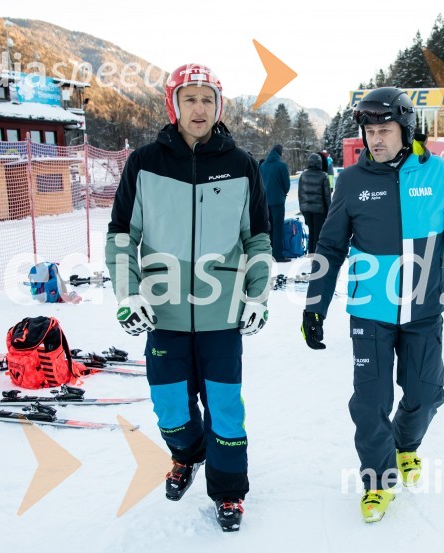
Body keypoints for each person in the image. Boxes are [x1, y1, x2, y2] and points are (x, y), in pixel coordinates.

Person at [300, 87, 444, 523]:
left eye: (384, 130)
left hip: (423, 309)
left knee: (425, 395)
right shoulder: (350, 181)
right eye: (369, 132)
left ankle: (406, 446)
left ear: (405, 130)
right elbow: (329, 248)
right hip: (370, 310)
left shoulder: (439, 175)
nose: (376, 140)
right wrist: (315, 306)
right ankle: (377, 481)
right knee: (370, 403)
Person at [105, 63, 272, 532]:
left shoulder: (241, 166)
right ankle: (187, 453)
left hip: (222, 316)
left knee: (225, 407)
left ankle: (229, 490)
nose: (199, 109)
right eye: (189, 98)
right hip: (163, 313)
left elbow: (258, 238)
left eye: (207, 99)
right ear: (173, 104)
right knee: (170, 408)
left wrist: (257, 296)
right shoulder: (144, 163)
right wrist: (128, 292)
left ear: (219, 107)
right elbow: (122, 234)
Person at [260, 144, 292, 262]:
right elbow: (287, 184)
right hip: (278, 201)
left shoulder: (263, 166)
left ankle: (269, 252)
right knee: (278, 228)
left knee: (269, 228)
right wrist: (283, 193)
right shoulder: (281, 166)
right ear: (280, 153)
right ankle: (277, 254)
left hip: (265, 201)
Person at [298, 152, 332, 255]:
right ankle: (317, 255)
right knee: (318, 232)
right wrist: (329, 210)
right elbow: (327, 196)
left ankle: (311, 253)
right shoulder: (323, 175)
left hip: (306, 209)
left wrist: (302, 208)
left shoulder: (303, 175)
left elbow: (300, 194)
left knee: (311, 231)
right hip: (319, 210)